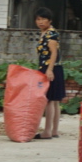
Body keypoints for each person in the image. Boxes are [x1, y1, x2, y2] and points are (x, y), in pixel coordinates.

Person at [33, 7, 64, 140]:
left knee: (49, 100)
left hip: (50, 68)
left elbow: (54, 53)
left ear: (50, 20)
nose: (40, 22)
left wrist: (49, 70)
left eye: (44, 19)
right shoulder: (44, 33)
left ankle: (47, 131)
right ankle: (54, 131)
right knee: (55, 101)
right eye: (38, 19)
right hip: (51, 68)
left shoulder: (51, 34)